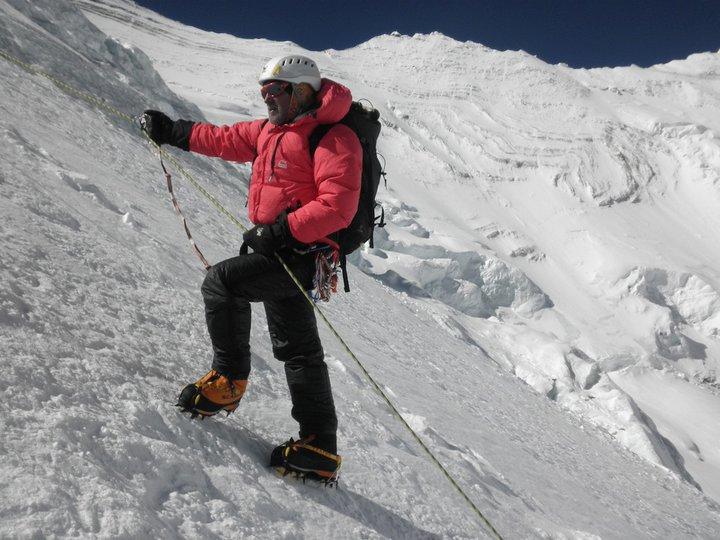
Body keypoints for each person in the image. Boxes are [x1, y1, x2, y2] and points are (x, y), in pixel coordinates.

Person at [141, 54, 362, 481]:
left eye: (274, 91)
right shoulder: (269, 132)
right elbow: (222, 138)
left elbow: (339, 207)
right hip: (279, 247)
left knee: (222, 283)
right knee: (299, 350)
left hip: (300, 253)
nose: (267, 100)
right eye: (263, 92)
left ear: (301, 90)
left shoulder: (334, 137)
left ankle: (228, 382)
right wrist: (172, 132)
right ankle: (318, 447)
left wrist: (281, 232)